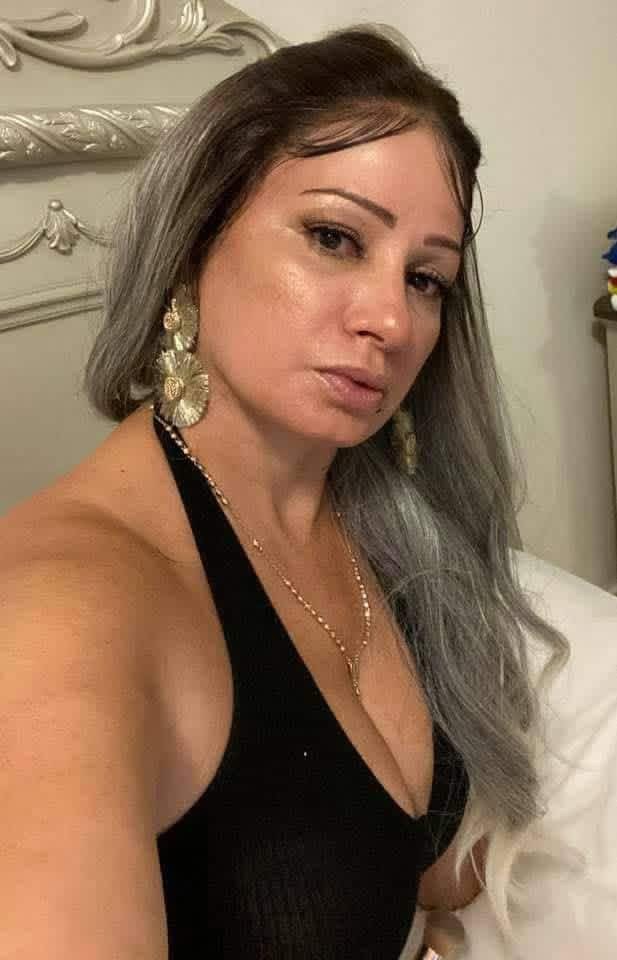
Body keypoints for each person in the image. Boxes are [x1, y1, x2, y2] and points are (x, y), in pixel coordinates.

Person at [0, 24, 568, 960]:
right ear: (193, 238)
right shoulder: (62, 613)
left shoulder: (384, 529)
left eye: (426, 279)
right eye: (334, 237)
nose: (391, 320)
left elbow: (420, 868)